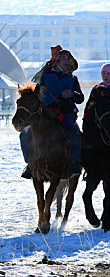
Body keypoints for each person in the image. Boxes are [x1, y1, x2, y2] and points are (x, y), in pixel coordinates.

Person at [20, 46, 84, 178]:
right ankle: (30, 164)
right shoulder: (44, 74)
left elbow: (80, 98)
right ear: (56, 60)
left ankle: (75, 163)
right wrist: (39, 91)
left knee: (74, 133)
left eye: (68, 58)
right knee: (25, 134)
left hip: (66, 113)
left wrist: (72, 93)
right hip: (45, 113)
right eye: (63, 58)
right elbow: (30, 90)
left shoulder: (72, 78)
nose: (66, 61)